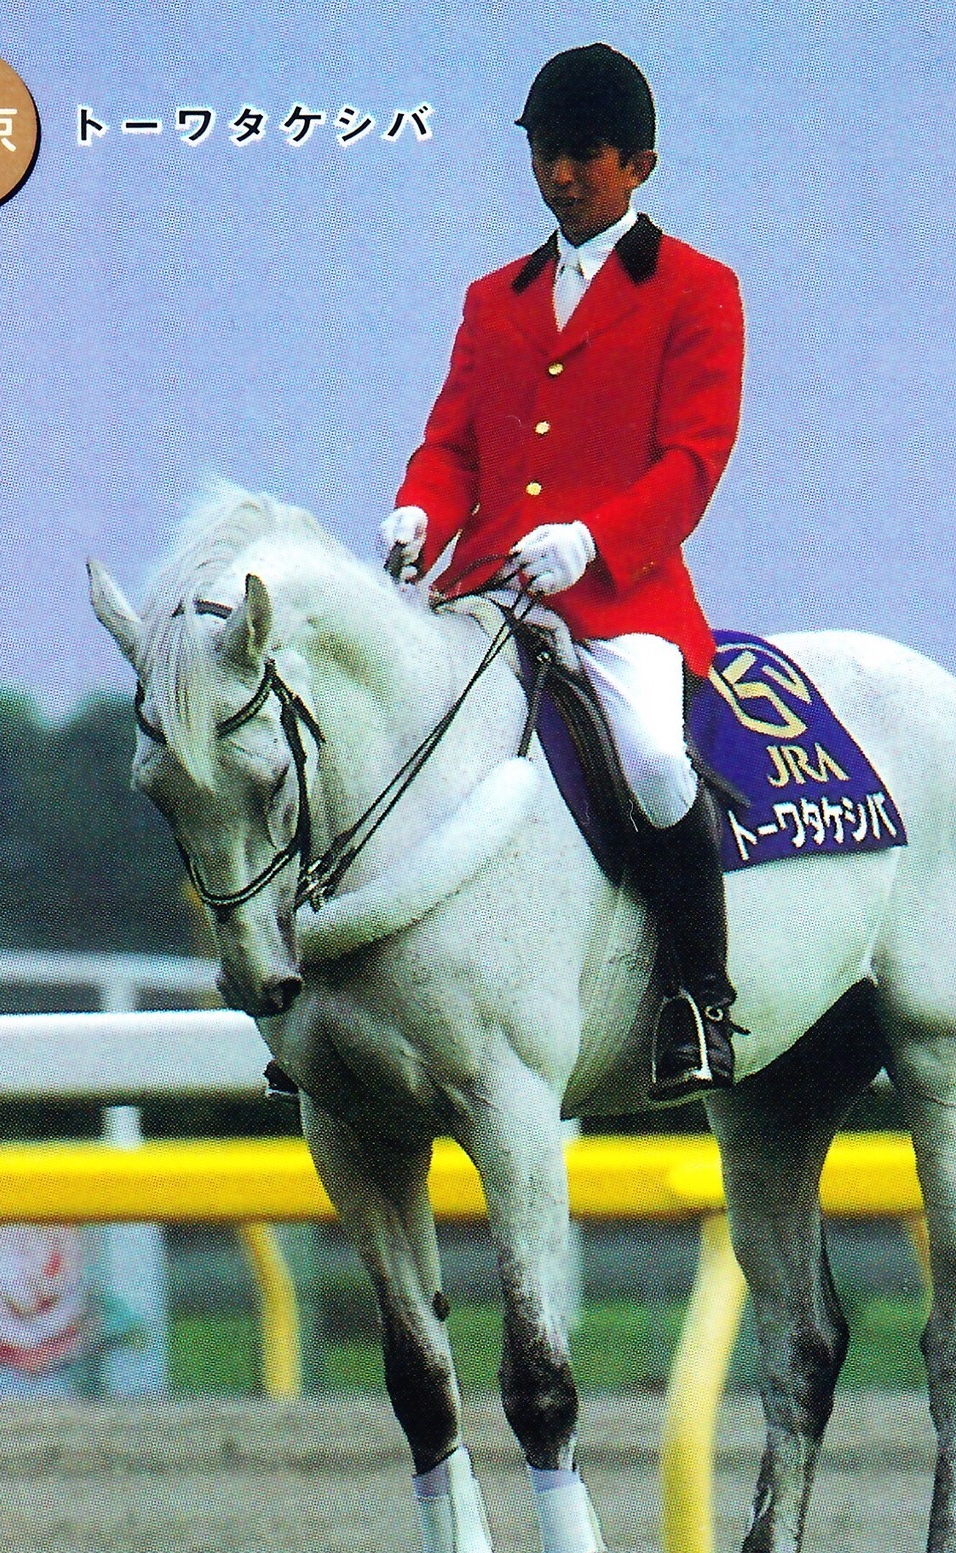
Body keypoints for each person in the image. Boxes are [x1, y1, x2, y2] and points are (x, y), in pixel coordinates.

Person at [379, 44, 745, 1095]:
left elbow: (693, 459)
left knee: (656, 760)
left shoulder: (698, 290)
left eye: (584, 155)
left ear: (640, 166)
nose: (560, 175)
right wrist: (420, 509)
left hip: (621, 596)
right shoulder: (493, 297)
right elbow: (453, 445)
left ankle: (699, 998)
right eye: (545, 152)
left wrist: (592, 539)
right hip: (490, 583)